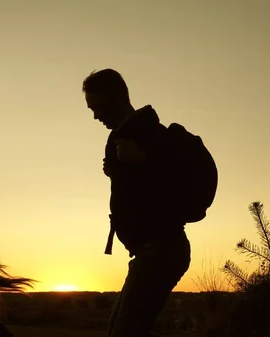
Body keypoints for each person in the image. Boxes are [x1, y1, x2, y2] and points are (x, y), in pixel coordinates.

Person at [82, 69, 192, 337]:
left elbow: (177, 181)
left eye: (98, 107)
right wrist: (119, 172)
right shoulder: (122, 137)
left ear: (117, 97)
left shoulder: (151, 133)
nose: (95, 116)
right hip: (147, 252)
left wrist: (144, 160)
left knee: (124, 332)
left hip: (163, 249)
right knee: (119, 330)